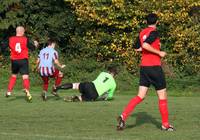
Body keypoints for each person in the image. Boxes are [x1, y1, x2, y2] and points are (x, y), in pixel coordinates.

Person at [117, 13, 174, 131]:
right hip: (154, 68)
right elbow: (146, 45)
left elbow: (137, 48)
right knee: (162, 96)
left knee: (140, 96)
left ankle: (123, 116)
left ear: (146, 22)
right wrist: (159, 52)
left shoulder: (142, 32)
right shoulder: (154, 32)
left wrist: (150, 48)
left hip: (144, 68)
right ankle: (165, 125)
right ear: (157, 22)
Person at [2, 26, 38, 102]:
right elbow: (32, 48)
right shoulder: (25, 39)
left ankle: (9, 91)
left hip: (14, 61)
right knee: (25, 77)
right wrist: (35, 45)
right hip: (23, 60)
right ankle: (27, 91)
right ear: (22, 32)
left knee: (13, 75)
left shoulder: (10, 39)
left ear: (16, 31)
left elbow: (3, 47)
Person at [53, 66, 118, 102]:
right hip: (94, 94)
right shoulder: (114, 84)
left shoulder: (103, 73)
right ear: (115, 75)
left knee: (74, 85)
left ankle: (57, 87)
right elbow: (109, 96)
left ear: (109, 71)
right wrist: (104, 97)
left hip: (89, 85)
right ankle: (73, 98)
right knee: (81, 98)